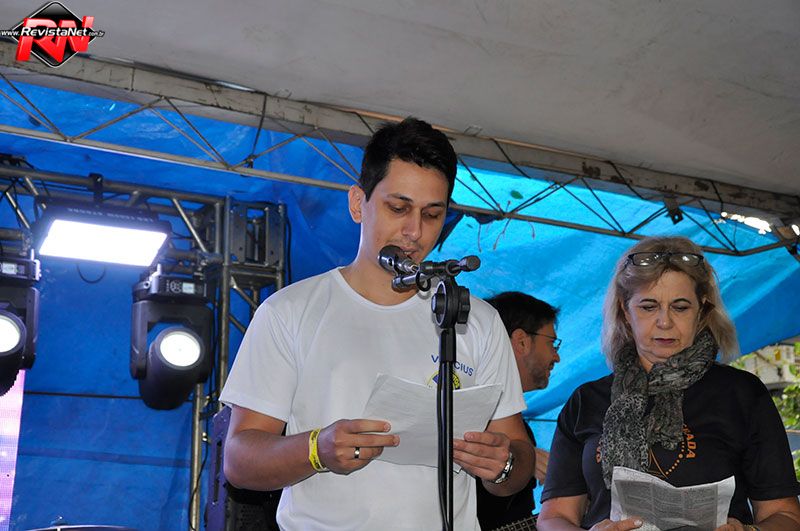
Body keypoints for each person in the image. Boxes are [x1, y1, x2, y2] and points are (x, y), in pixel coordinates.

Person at [219, 117, 535, 530]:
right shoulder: (289, 311)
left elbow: (518, 458)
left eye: (432, 214)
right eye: (398, 208)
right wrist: (316, 450)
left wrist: (502, 465)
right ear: (357, 203)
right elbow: (239, 460)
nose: (414, 231)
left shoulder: (475, 319)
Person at [537, 236, 800, 531]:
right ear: (625, 311)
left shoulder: (742, 394)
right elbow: (553, 518)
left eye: (680, 307)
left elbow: (786, 516)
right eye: (648, 307)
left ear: (702, 310)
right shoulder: (586, 401)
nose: (665, 322)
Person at [477, 291, 561, 530]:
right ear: (522, 341)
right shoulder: (469, 411)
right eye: (552, 343)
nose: (557, 357)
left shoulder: (521, 429)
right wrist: (515, 459)